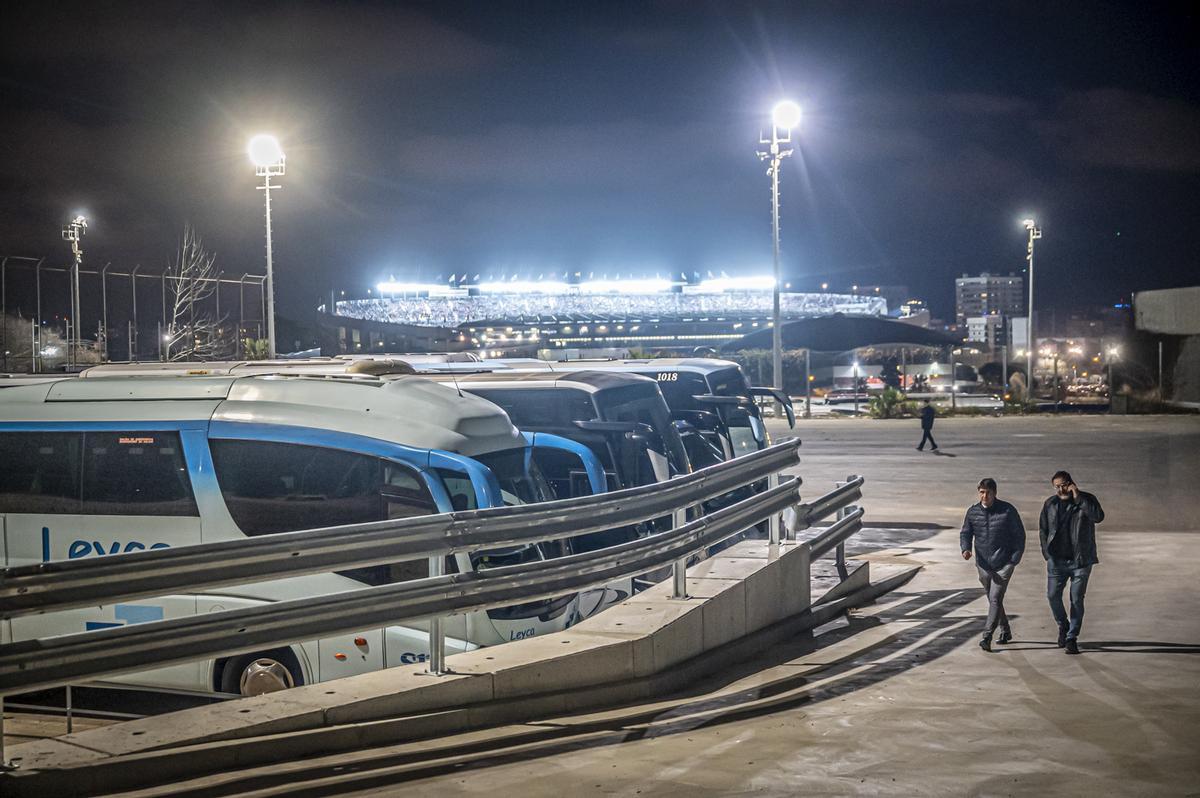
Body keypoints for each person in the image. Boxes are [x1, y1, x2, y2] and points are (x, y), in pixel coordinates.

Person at [1039, 471, 1104, 655]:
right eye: (1057, 486)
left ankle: (1071, 637)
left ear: (1072, 483)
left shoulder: (1086, 500)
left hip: (1081, 560)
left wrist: (1079, 497)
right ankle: (1063, 625)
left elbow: (1098, 517)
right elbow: (1043, 529)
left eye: (1064, 484)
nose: (1061, 489)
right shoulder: (1050, 504)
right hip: (1057, 561)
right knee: (1052, 596)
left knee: (1076, 599)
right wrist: (1047, 554)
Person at [961, 477, 1026, 651]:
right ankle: (1005, 630)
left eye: (988, 492)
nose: (985, 496)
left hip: (1003, 563)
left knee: (995, 598)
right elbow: (966, 533)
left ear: (995, 493)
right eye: (982, 492)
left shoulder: (1007, 511)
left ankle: (987, 636)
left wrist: (1013, 560)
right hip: (982, 563)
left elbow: (1019, 536)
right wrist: (965, 549)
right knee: (993, 599)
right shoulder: (973, 512)